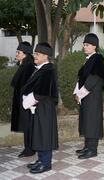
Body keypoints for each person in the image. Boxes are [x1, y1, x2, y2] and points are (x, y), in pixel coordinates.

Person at [22, 42, 58, 173]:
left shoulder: (48, 70)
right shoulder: (41, 68)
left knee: (44, 134)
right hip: (38, 106)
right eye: (35, 53)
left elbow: (42, 92)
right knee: (39, 133)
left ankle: (46, 163)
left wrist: (27, 101)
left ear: (45, 56)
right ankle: (41, 159)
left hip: (44, 107)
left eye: (37, 54)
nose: (34, 56)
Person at [73, 33, 104, 159]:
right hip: (86, 96)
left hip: (92, 96)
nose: (84, 47)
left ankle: (92, 149)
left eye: (87, 45)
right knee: (86, 120)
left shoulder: (97, 59)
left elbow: (94, 79)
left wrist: (80, 93)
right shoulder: (89, 59)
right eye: (84, 45)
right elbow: (81, 78)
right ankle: (87, 146)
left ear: (94, 46)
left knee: (92, 121)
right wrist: (76, 92)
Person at [10, 42, 36, 158]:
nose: (16, 54)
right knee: (27, 125)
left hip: (26, 102)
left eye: (19, 52)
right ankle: (28, 148)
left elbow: (27, 86)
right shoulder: (24, 65)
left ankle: (29, 149)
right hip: (24, 101)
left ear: (25, 54)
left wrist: (26, 101)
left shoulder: (28, 67)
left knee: (28, 125)